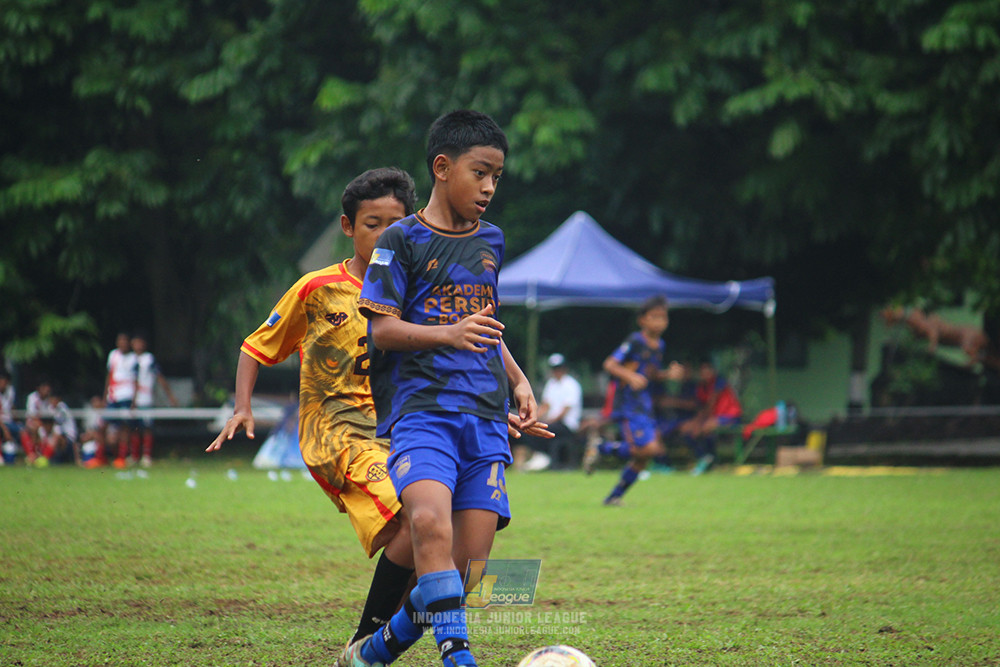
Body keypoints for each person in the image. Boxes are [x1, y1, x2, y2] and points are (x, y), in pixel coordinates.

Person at [340, 110, 549, 667]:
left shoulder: (492, 241)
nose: (488, 187)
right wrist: (447, 334)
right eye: (480, 172)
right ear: (442, 166)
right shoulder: (399, 241)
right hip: (422, 413)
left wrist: (519, 382)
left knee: (466, 569)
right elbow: (381, 330)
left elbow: (484, 327)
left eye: (497, 177)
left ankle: (372, 654)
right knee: (428, 522)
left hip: (482, 417)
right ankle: (459, 658)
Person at [207, 167, 421, 647]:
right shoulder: (316, 288)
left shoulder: (417, 290)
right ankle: (367, 644)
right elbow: (255, 346)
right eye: (372, 223)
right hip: (336, 432)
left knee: (442, 544)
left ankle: (379, 647)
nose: (385, 234)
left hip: (400, 427)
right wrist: (242, 407)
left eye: (395, 223)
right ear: (348, 228)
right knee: (414, 521)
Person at [586, 295, 672, 505]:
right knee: (649, 449)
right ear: (642, 320)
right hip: (628, 403)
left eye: (663, 317)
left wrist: (666, 374)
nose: (659, 322)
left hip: (644, 403)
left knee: (643, 458)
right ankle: (601, 448)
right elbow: (610, 364)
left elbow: (649, 373)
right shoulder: (635, 341)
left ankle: (614, 497)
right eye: (654, 317)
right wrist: (631, 376)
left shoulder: (659, 345)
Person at [514, 353, 583, 471]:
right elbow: (546, 405)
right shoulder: (551, 384)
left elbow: (565, 410)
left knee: (544, 429)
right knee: (529, 428)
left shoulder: (571, 385)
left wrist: (548, 421)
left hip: (567, 425)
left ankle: (542, 455)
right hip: (552, 422)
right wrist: (533, 418)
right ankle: (539, 454)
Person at [677, 359, 743, 475]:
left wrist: (698, 423)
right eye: (702, 371)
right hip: (712, 418)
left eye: (707, 370)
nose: (704, 373)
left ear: (713, 371)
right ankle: (704, 457)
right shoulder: (700, 387)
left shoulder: (719, 381)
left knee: (706, 427)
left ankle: (711, 459)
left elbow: (710, 405)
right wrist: (695, 422)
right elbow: (701, 408)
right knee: (685, 428)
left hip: (730, 416)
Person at [131, 331, 179, 467]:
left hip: (145, 399)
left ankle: (146, 456)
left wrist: (170, 396)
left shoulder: (148, 359)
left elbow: (160, 378)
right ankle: (134, 456)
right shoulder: (129, 359)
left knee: (146, 428)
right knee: (133, 428)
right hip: (131, 399)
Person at [104, 332, 136, 468]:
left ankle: (121, 458)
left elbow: (136, 380)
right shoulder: (113, 355)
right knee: (105, 426)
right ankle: (103, 456)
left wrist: (134, 400)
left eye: (125, 340)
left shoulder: (134, 358)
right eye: (120, 340)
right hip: (113, 397)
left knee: (125, 427)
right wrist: (104, 395)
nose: (122, 343)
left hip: (127, 397)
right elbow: (109, 375)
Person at [0, 371, 21, 464]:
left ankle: (31, 456)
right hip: (1, 423)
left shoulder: (11, 391)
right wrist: (5, 430)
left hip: (9, 422)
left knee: (23, 430)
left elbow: (13, 409)